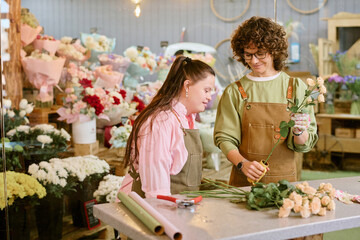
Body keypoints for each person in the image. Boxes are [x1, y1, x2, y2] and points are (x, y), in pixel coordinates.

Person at [214, 16, 318, 187]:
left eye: (260, 54)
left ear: (274, 50)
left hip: (284, 184)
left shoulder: (296, 87)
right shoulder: (235, 91)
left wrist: (299, 132)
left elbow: (304, 144)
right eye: (248, 54)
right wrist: (242, 164)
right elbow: (224, 138)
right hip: (244, 182)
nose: (254, 61)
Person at [119, 55, 215, 198]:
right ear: (187, 86)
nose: (209, 97)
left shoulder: (187, 116)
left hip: (180, 206)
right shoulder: (160, 121)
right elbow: (156, 190)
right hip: (152, 208)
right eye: (206, 90)